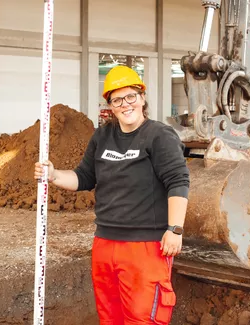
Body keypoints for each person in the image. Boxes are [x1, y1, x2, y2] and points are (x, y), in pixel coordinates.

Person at [34, 65, 190, 324]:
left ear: (142, 98)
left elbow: (178, 181)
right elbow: (84, 177)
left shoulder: (159, 136)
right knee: (110, 318)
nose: (125, 104)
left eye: (131, 96)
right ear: (110, 106)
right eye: (117, 100)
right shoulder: (103, 136)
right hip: (105, 244)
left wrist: (175, 229)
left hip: (145, 247)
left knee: (143, 319)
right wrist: (53, 175)